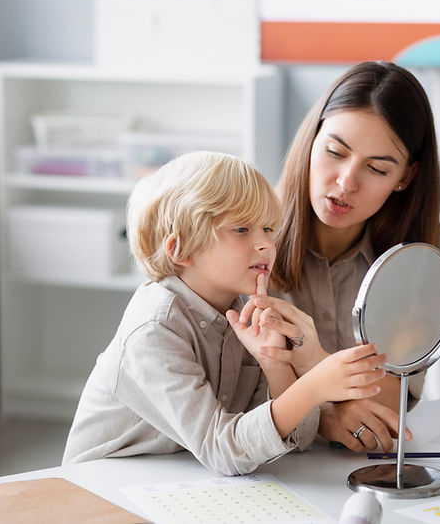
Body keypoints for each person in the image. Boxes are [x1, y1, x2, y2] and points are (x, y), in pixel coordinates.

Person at [62, 151, 387, 476]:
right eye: (242, 229)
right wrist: (314, 386)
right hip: (103, 489)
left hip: (177, 480)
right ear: (182, 249)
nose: (265, 245)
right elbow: (224, 450)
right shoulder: (154, 328)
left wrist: (275, 364)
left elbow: (297, 438)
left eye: (268, 228)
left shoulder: (244, 314)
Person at [249, 61, 440, 453]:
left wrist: (314, 370)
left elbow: (395, 398)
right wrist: (325, 416)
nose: (345, 183)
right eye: (335, 151)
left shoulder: (418, 256)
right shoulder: (246, 233)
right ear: (312, 138)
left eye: (376, 168)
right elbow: (228, 395)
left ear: (405, 178)